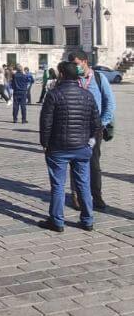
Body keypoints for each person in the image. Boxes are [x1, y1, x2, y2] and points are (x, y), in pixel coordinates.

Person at [39, 61, 101, 233]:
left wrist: (45, 143)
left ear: (62, 75)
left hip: (58, 148)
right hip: (81, 147)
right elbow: (96, 124)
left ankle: (57, 221)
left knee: (58, 186)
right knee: (83, 184)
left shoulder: (53, 94)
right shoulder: (87, 95)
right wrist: (90, 142)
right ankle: (87, 220)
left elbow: (46, 123)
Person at [68, 49, 116, 212]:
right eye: (71, 64)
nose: (74, 67)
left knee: (94, 163)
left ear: (84, 61)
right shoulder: (71, 78)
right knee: (75, 162)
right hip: (75, 128)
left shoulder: (99, 78)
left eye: (76, 64)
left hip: (94, 129)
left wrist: (102, 123)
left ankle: (96, 195)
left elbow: (110, 103)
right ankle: (76, 195)